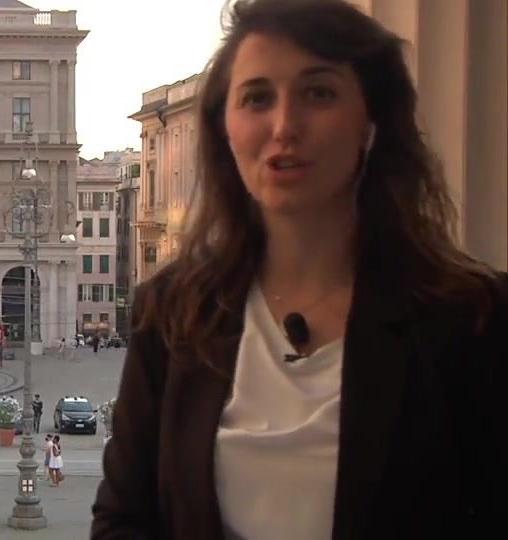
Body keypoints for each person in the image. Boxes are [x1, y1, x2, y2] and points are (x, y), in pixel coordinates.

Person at [91, 1, 507, 539]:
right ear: (228, 131)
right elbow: (124, 519)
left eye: (319, 93)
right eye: (257, 98)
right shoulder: (173, 314)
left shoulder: (470, 317)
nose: (285, 126)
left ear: (370, 122)